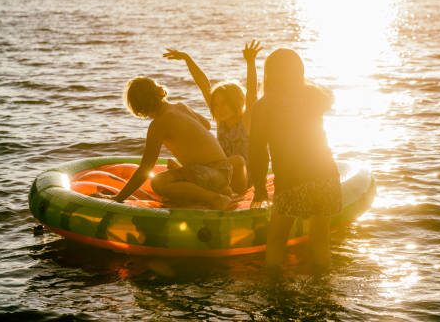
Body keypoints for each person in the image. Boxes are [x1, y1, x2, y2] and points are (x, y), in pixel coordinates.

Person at [249, 48, 341, 273]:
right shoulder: (314, 96)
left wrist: (260, 188)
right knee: (320, 241)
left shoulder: (263, 107)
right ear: (299, 71)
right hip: (326, 176)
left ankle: (275, 294)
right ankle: (323, 292)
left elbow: (257, 152)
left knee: (277, 241)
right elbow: (328, 96)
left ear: (269, 73)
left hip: (291, 181)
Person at [113, 77, 232, 210]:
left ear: (139, 107)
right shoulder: (180, 107)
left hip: (210, 173)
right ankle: (219, 189)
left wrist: (118, 198)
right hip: (224, 170)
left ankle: (216, 199)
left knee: (159, 182)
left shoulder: (159, 124)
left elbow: (145, 168)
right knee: (176, 174)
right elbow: (206, 125)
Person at [162, 40, 263, 195]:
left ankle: (191, 173)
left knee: (237, 160)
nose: (219, 108)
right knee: (201, 154)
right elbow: (204, 84)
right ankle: (196, 175)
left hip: (243, 178)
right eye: (216, 105)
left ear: (236, 103)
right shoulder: (221, 120)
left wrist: (251, 62)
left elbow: (252, 93)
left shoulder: (246, 120)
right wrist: (187, 59)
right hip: (222, 173)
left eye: (225, 104)